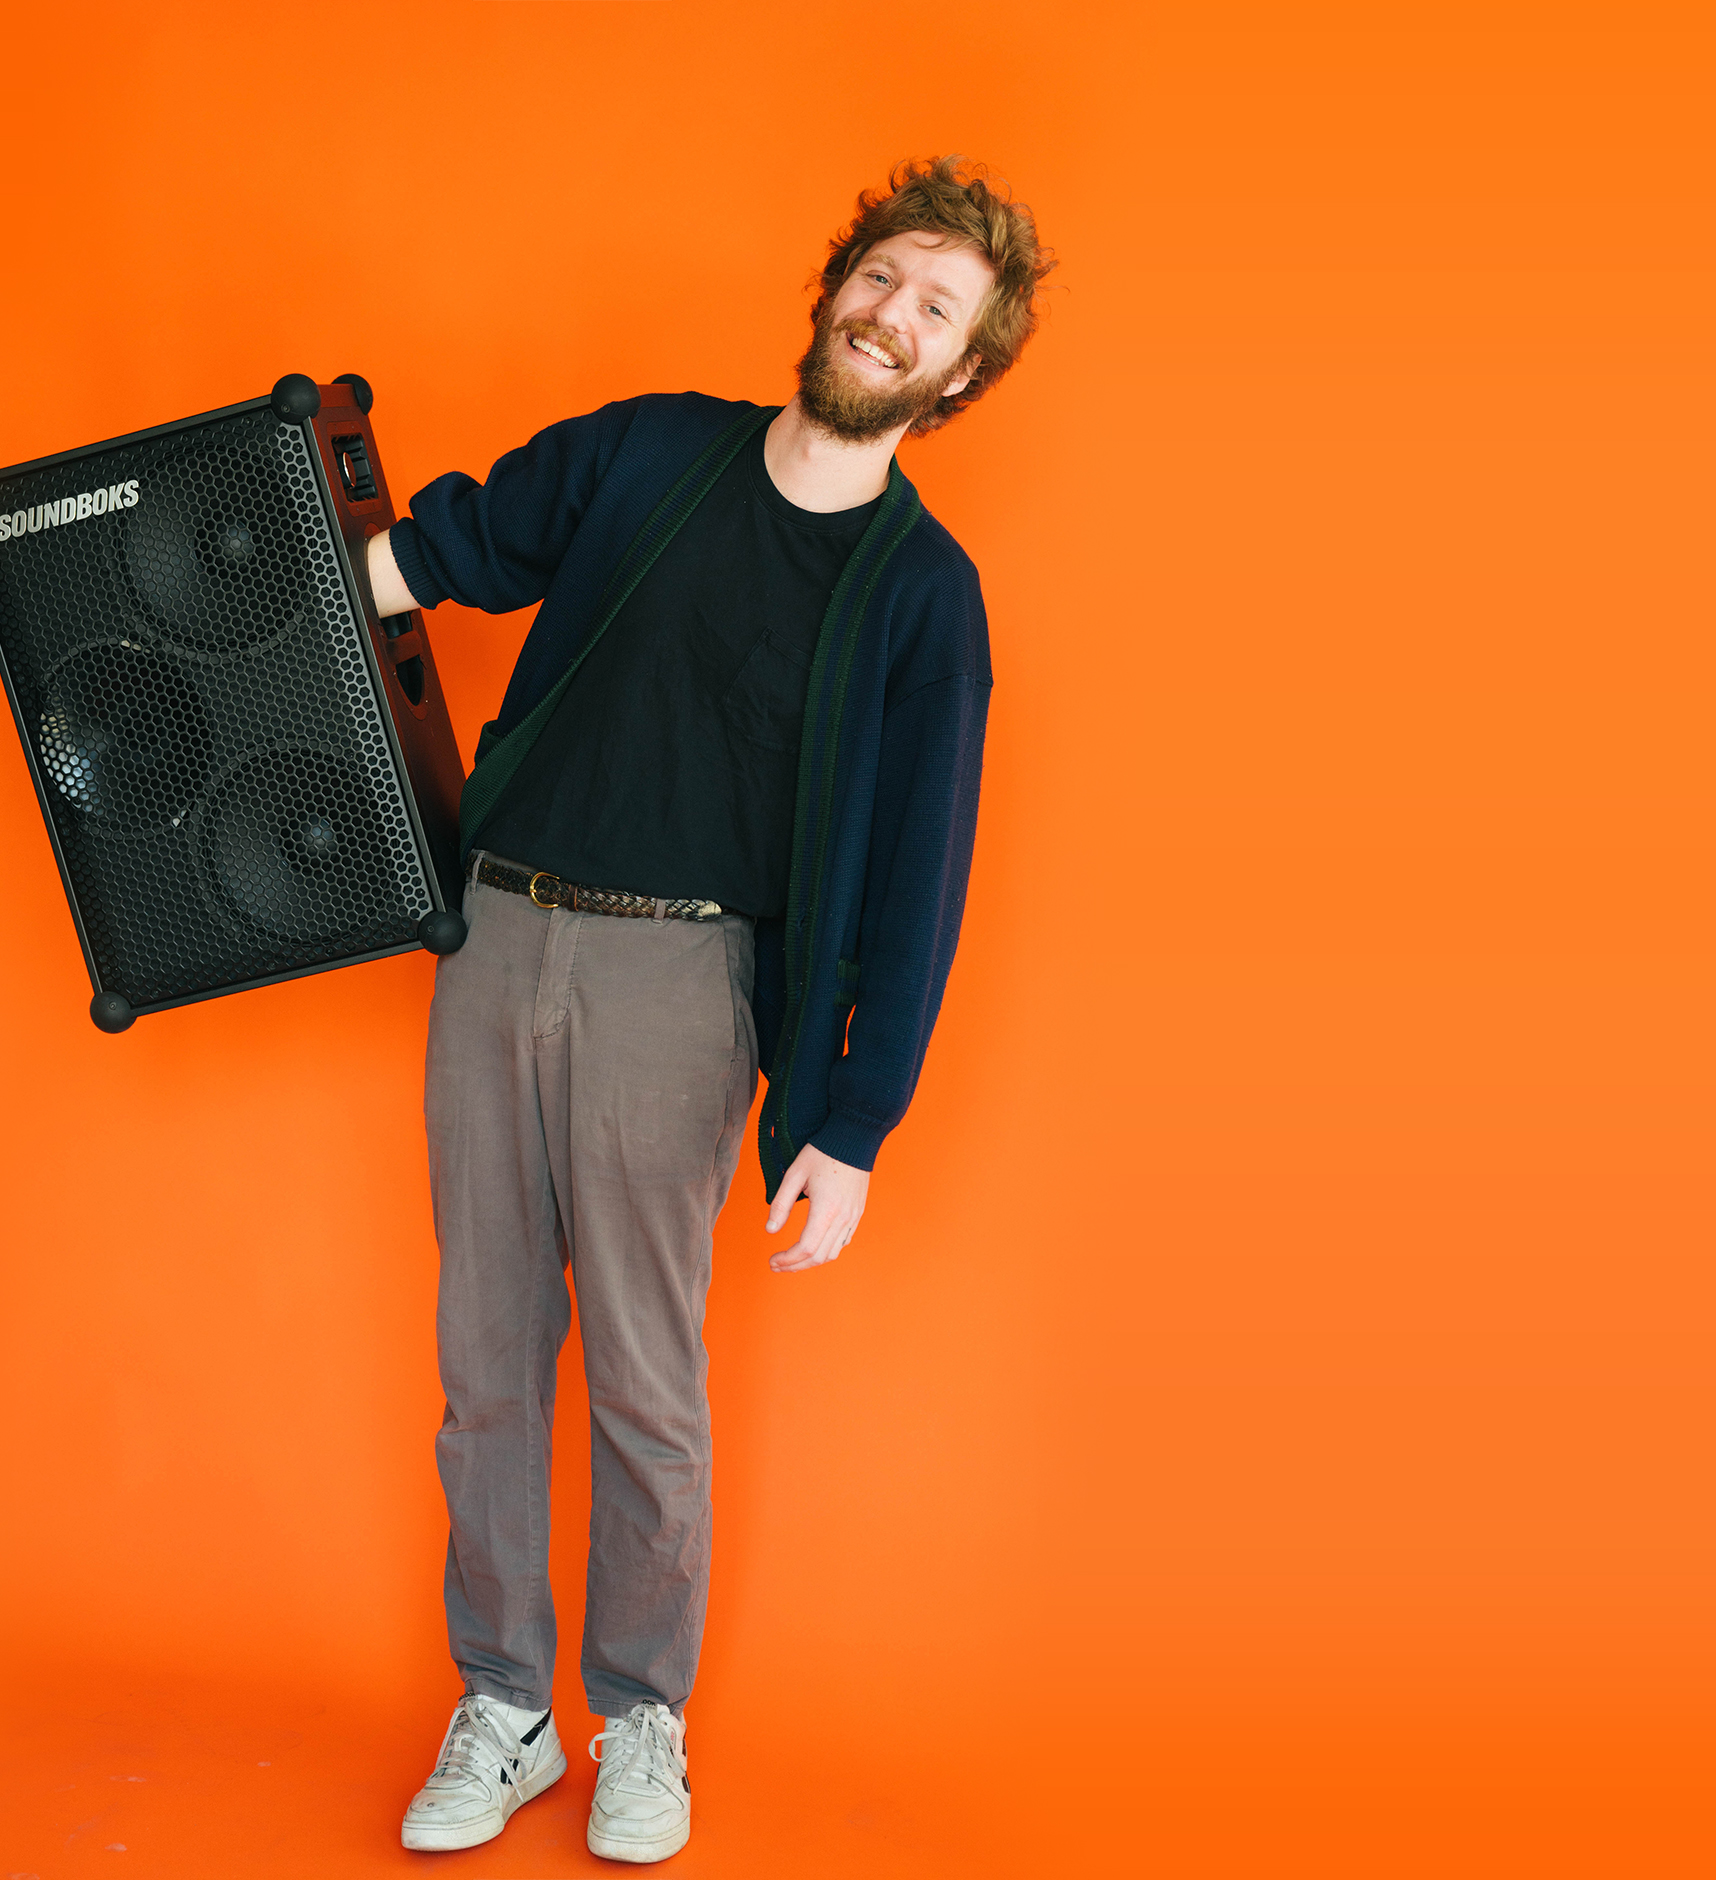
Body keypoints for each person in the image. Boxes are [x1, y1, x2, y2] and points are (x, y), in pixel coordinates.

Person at [364, 157, 1052, 1864]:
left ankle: (640, 1719)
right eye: (883, 279)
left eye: (937, 311)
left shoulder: (921, 593)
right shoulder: (650, 449)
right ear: (836, 290)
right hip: (497, 935)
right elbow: (443, 553)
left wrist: (851, 1123)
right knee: (486, 1361)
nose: (894, 316)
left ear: (961, 374)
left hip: (690, 983)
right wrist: (269, 594)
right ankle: (505, 1709)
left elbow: (919, 874)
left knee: (647, 1381)